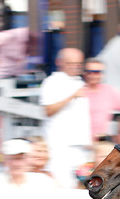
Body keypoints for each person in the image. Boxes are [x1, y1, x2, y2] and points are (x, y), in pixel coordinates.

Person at [39, 48, 93, 188]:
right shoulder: (52, 82)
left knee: (83, 185)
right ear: (59, 62)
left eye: (78, 63)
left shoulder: (80, 82)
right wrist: (72, 96)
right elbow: (48, 110)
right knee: (62, 185)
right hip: (60, 146)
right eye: (71, 63)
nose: (75, 67)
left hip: (82, 146)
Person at [83, 57, 120, 141]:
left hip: (101, 141)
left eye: (97, 72)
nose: (92, 75)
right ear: (84, 73)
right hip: (81, 141)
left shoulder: (108, 91)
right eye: (89, 72)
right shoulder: (78, 90)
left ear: (102, 74)